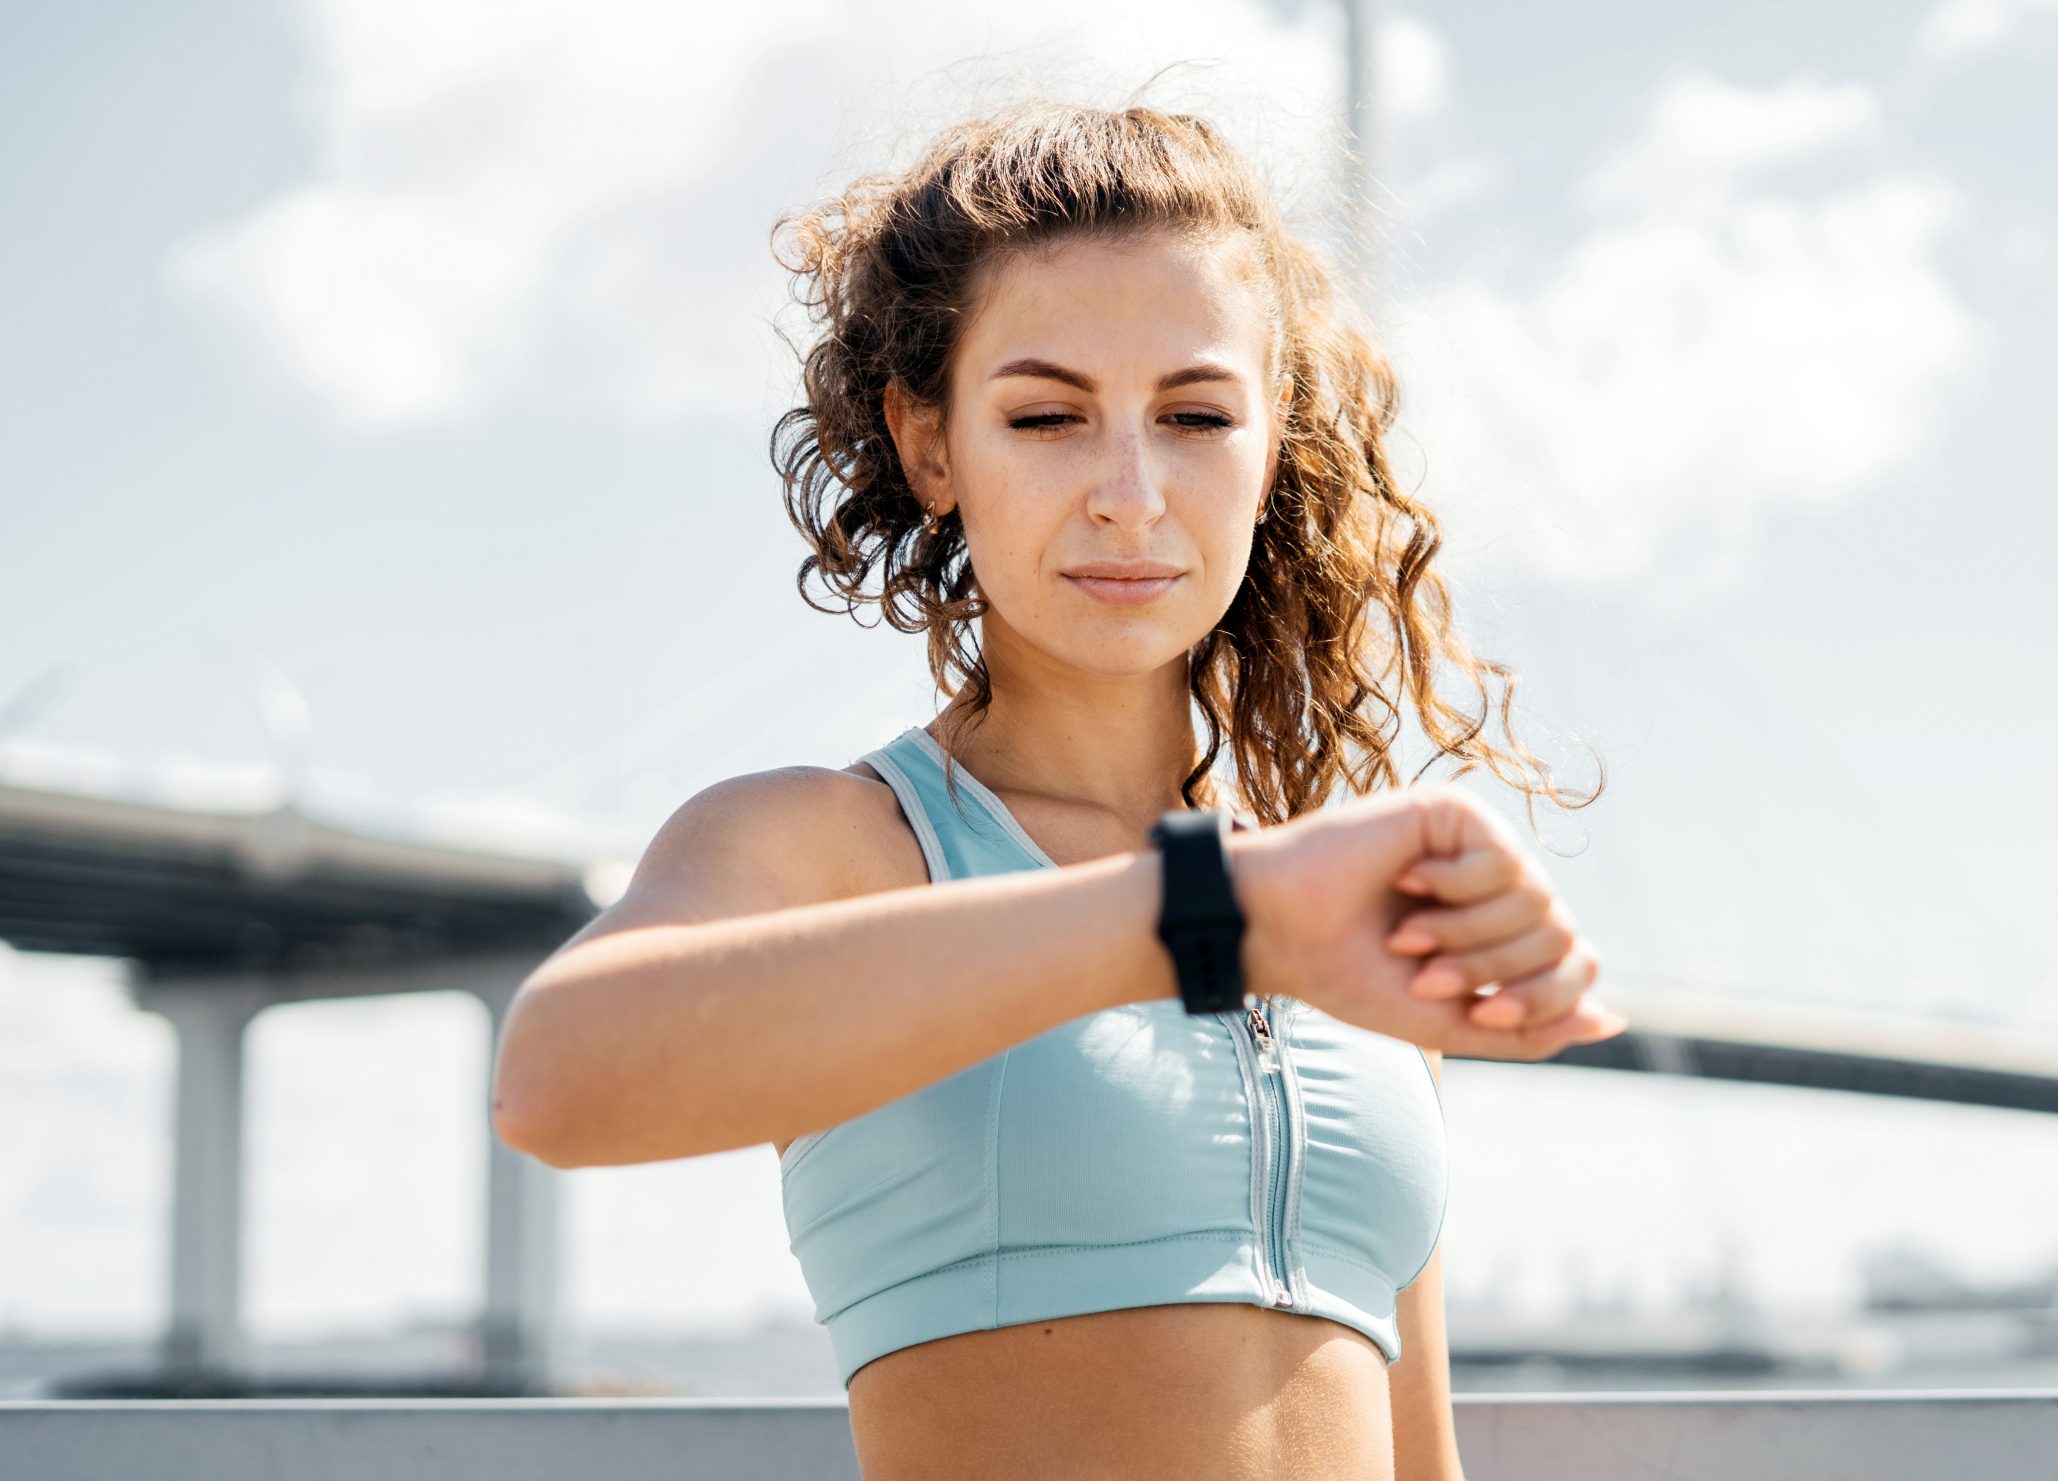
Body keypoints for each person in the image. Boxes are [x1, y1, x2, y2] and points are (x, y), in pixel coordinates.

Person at [490, 96, 1626, 1481]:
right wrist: (1207, 912)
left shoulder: (1329, 914)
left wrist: (1257, 905)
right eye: (1047, 416)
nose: (1132, 493)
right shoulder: (840, 845)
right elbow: (557, 1080)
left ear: (1272, 448)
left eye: (1198, 414)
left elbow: (1419, 1458)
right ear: (930, 447)